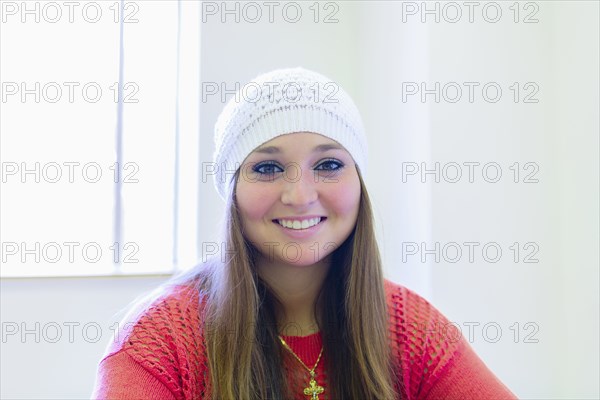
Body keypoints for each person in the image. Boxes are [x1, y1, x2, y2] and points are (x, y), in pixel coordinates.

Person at [92, 67, 517, 399]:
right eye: (267, 168)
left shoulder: (411, 328)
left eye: (329, 165)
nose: (299, 195)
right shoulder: (160, 339)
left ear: (359, 184)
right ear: (232, 192)